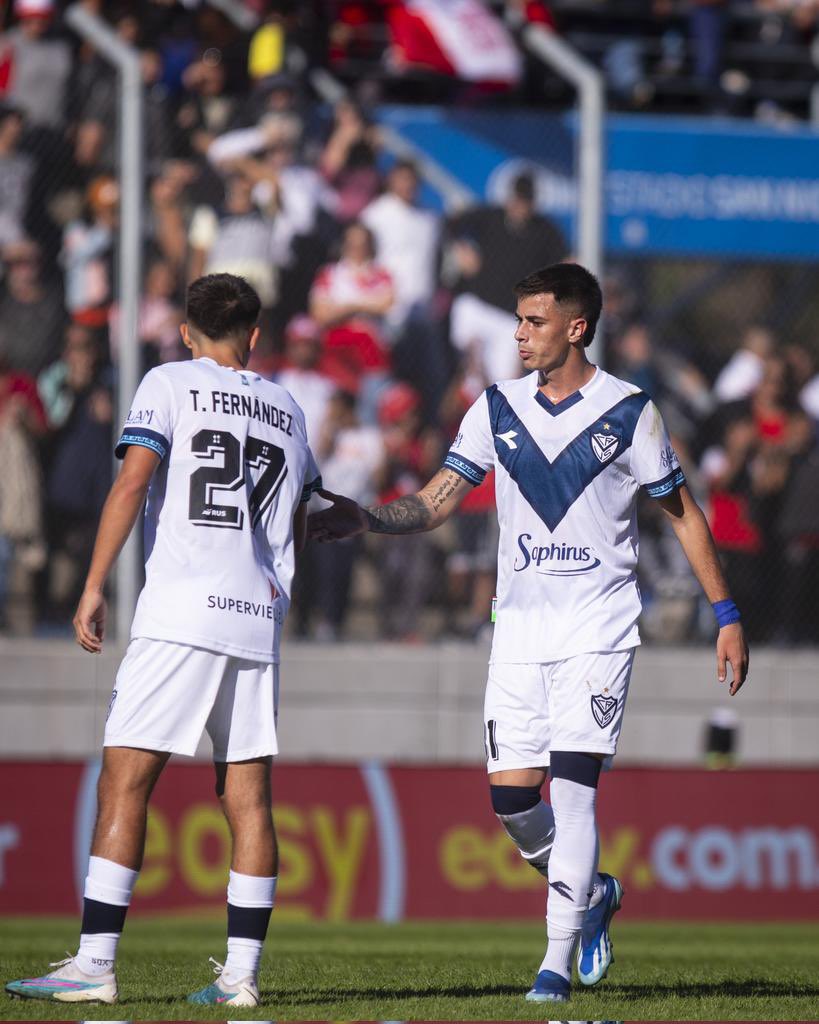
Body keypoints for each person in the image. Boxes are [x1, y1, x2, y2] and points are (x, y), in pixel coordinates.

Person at [308, 262, 749, 1002]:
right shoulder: (494, 407)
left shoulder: (629, 412)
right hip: (516, 630)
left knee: (574, 793)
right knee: (513, 804)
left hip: (597, 628)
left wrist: (726, 615)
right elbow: (439, 498)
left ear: (576, 327)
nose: (517, 335)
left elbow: (684, 516)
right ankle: (592, 893)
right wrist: (370, 517)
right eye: (516, 320)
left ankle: (552, 963)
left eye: (533, 322)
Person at [6, 273, 321, 1007]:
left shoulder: (169, 380)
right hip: (256, 614)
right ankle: (241, 979)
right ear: (255, 333)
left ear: (185, 332)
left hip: (181, 611)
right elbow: (300, 517)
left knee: (126, 780)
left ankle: (93, 964)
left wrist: (91, 585)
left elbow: (131, 484)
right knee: (247, 797)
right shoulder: (286, 406)